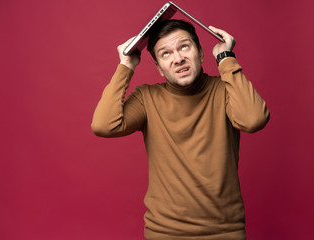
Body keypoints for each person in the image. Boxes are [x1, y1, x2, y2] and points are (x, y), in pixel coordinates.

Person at [91, 20, 270, 240]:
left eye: (184, 47)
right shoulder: (147, 98)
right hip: (165, 232)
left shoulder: (225, 91)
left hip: (225, 232)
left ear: (201, 53)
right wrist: (125, 66)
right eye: (165, 54)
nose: (178, 59)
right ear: (158, 68)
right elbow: (104, 125)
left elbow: (254, 119)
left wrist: (226, 58)